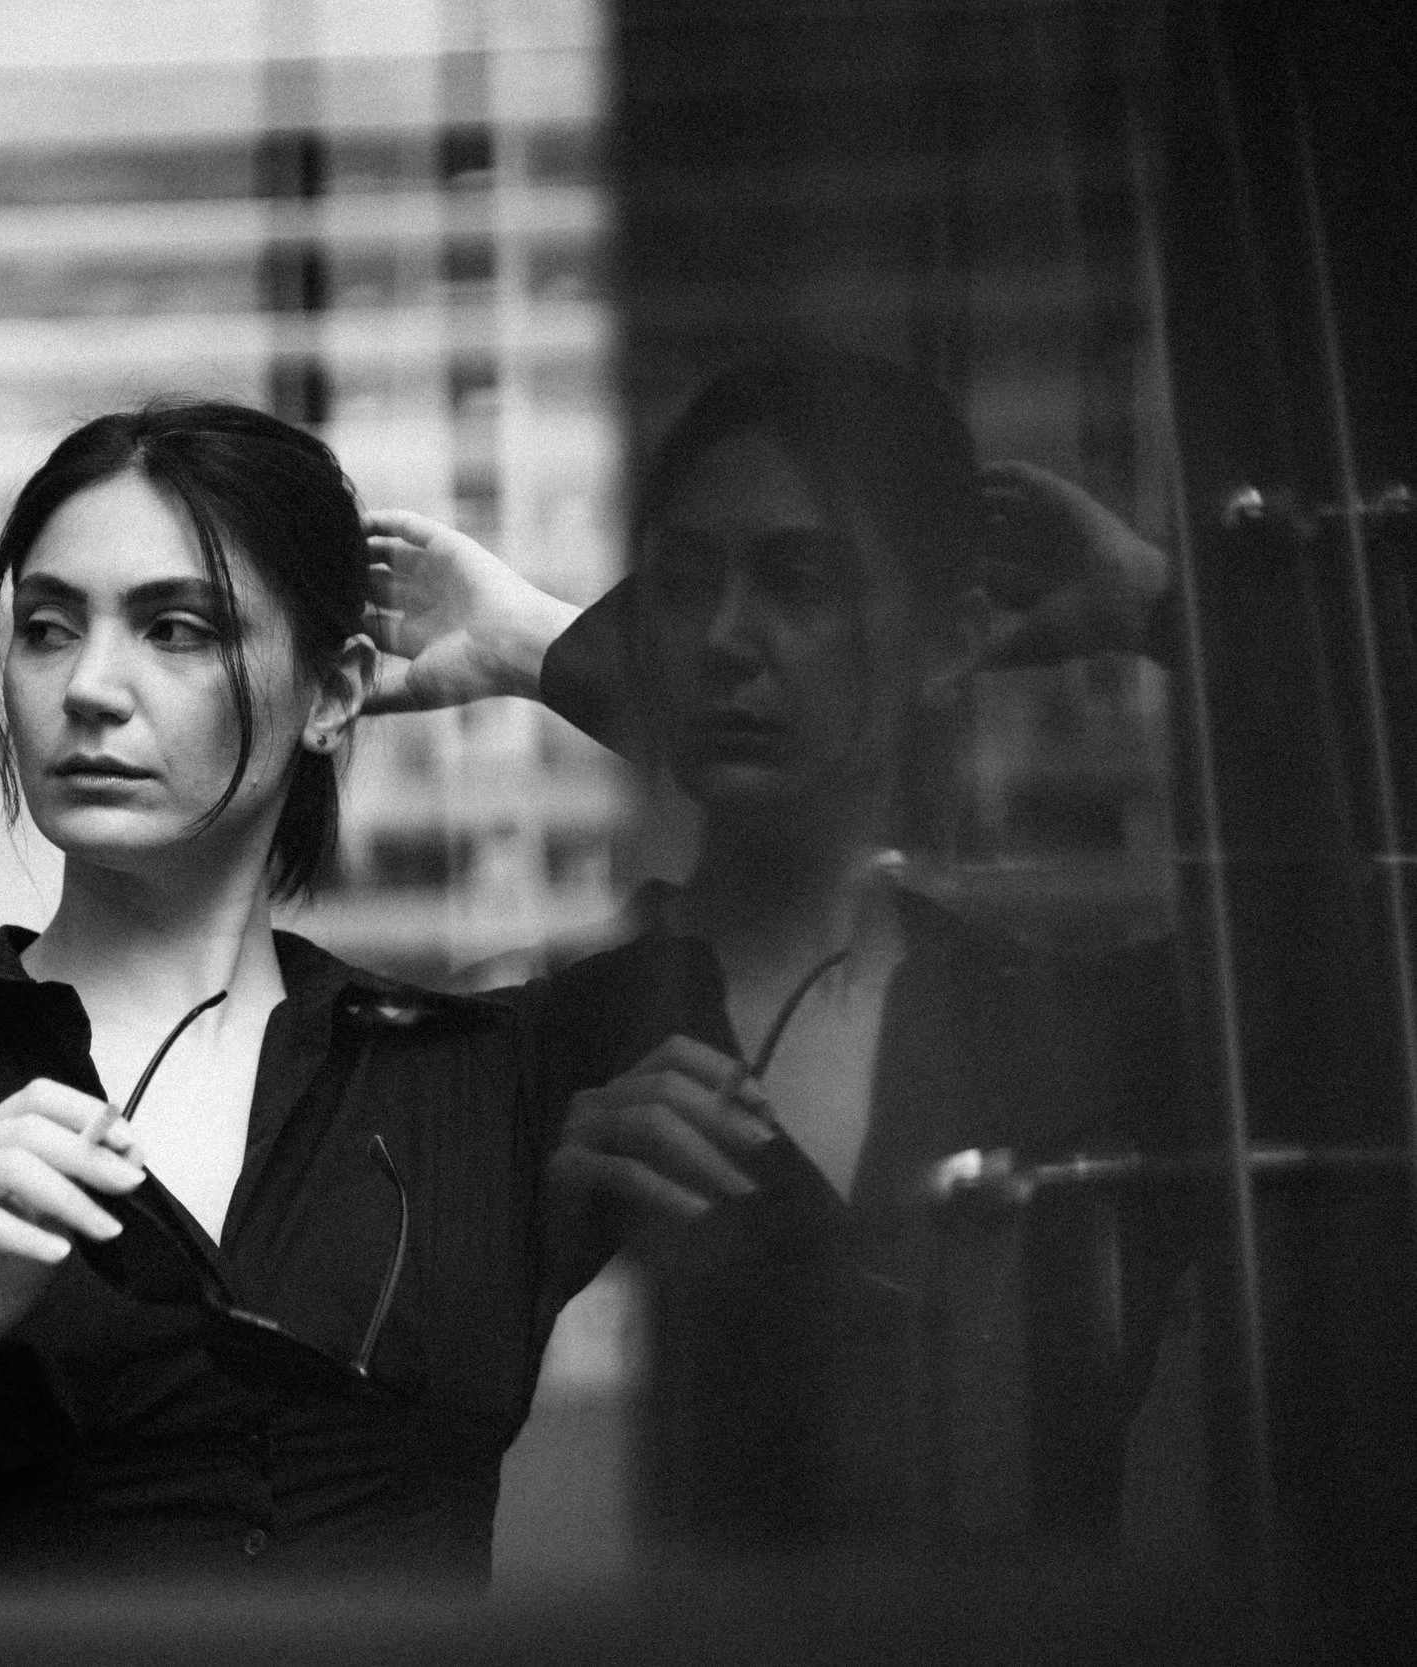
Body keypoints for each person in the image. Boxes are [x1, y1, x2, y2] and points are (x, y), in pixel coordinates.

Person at [0, 398, 572, 1583]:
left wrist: (541, 649)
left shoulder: (471, 1081)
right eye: (48, 628)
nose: (90, 687)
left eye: (177, 628)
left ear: (332, 692)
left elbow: (855, 790)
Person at [364, 350, 1196, 1550]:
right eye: (683, 582)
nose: (722, 638)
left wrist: (1163, 608)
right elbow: (355, 1492)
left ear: (948, 638)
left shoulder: (1071, 1027)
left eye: (800, 579)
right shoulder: (529, 1054)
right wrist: (533, 1257)